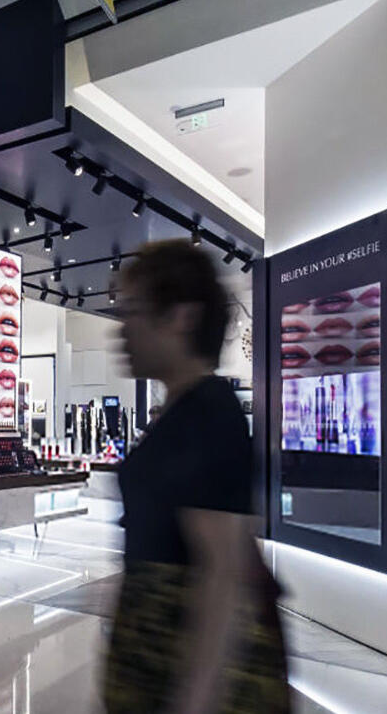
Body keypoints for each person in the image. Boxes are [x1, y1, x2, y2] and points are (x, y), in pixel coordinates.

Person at [106, 240, 288, 713]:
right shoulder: (183, 409)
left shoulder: (209, 413)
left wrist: (194, 701)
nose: (121, 329)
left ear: (182, 317)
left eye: (133, 310)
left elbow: (222, 574)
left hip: (173, 672)